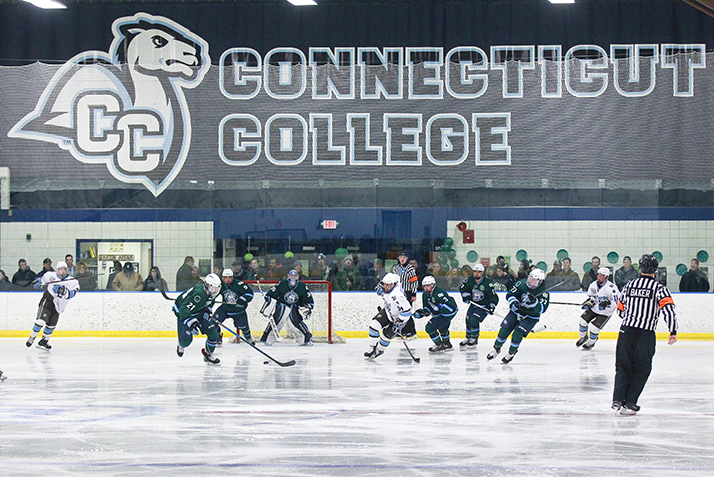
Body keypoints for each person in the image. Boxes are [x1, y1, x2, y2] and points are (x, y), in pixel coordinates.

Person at [612, 254, 677, 416]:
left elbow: (620, 310)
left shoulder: (630, 285)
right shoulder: (659, 288)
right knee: (641, 369)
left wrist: (630, 318)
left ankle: (617, 399)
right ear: (655, 270)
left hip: (625, 331)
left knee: (623, 366)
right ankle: (630, 402)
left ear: (640, 268)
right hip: (645, 334)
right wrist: (673, 331)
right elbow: (668, 310)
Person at [486, 268, 550, 364]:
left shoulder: (544, 293)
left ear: (540, 282)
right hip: (516, 312)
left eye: (533, 280)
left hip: (530, 317)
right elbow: (510, 294)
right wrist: (514, 302)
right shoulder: (521, 284)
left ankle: (511, 353)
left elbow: (542, 309)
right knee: (504, 330)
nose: (530, 281)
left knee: (517, 334)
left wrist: (534, 303)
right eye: (530, 278)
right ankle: (496, 349)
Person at [25, 261, 79, 350]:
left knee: (51, 325)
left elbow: (73, 293)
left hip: (59, 305)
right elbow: (40, 281)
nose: (62, 271)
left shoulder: (72, 281)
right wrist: (38, 283)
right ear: (57, 270)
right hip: (48, 300)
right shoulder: (50, 275)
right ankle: (32, 337)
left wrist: (65, 292)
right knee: (41, 321)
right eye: (60, 269)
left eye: (64, 269)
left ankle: (44, 342)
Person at [174, 273, 222, 365]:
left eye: (217, 288)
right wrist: (192, 323)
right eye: (213, 288)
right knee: (186, 341)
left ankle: (208, 355)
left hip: (198, 312)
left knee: (213, 333)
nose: (215, 291)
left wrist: (207, 310)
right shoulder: (198, 294)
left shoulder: (211, 293)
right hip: (183, 313)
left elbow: (209, 303)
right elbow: (183, 310)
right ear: (207, 285)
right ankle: (180, 344)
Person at [364, 273, 413, 359]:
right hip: (388, 312)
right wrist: (381, 291)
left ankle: (379, 350)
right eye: (384, 284)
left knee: (385, 337)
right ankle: (372, 347)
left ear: (394, 285)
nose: (385, 286)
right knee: (374, 326)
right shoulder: (389, 288)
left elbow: (407, 311)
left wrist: (400, 320)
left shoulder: (397, 295)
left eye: (388, 285)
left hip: (399, 320)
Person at [260, 269, 314, 346]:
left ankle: (305, 339)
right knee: (277, 323)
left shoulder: (302, 286)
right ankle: (267, 339)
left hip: (294, 309)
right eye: (291, 275)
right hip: (281, 307)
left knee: (295, 324)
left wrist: (307, 307)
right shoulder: (282, 283)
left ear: (297, 277)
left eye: (295, 276)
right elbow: (271, 294)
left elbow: (308, 300)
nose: (293, 277)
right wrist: (268, 305)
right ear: (288, 276)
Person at [576, 267, 619, 350]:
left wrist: (607, 303)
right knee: (582, 321)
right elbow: (592, 297)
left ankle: (591, 342)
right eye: (599, 275)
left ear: (606, 277)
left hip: (605, 312)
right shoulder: (593, 285)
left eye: (602, 275)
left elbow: (617, 301)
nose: (599, 277)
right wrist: (589, 302)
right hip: (595, 308)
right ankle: (583, 337)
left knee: (594, 328)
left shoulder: (611, 288)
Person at [413, 275, 458, 353]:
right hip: (442, 314)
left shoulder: (439, 293)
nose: (426, 288)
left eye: (428, 286)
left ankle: (439, 345)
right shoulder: (425, 295)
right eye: (424, 286)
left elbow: (450, 307)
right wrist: (423, 312)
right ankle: (447, 344)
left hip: (448, 313)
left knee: (429, 327)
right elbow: (427, 307)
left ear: (433, 285)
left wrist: (438, 311)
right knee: (443, 329)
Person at [459, 263, 499, 347]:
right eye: (475, 272)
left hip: (483, 306)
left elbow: (494, 296)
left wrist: (492, 306)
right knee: (468, 319)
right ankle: (468, 337)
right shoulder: (469, 280)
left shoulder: (488, 283)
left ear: (482, 273)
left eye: (479, 272)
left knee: (474, 319)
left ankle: (474, 338)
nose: (477, 273)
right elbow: (463, 288)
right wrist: (466, 296)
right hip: (474, 305)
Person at [213, 268, 254, 346]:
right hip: (225, 309)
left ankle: (248, 338)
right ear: (222, 278)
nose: (227, 279)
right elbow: (212, 295)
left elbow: (250, 293)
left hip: (238, 310)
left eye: (229, 277)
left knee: (243, 326)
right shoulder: (220, 285)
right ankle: (218, 337)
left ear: (232, 277)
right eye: (225, 278)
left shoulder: (239, 284)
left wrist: (243, 299)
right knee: (214, 321)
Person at [391, 251, 418, 339]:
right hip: (398, 293)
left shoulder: (410, 268)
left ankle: (412, 331)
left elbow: (414, 282)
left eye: (404, 257)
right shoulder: (396, 268)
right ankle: (403, 331)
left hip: (408, 293)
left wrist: (413, 294)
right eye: (401, 257)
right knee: (399, 312)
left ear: (407, 259)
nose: (402, 259)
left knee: (407, 312)